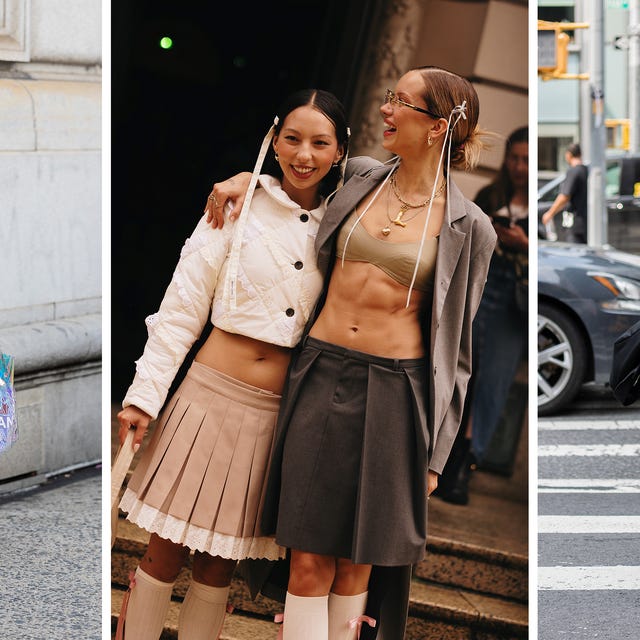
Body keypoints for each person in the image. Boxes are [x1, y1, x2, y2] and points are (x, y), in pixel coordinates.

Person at [205, 66, 497, 640]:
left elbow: (458, 351)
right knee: (308, 553)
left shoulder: (472, 227)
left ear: (437, 126)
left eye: (400, 102)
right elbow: (296, 173)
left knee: (357, 561)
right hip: (320, 372)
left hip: (397, 394)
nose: (385, 110)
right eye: (389, 97)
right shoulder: (359, 175)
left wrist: (437, 457)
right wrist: (249, 179)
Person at [113, 88, 349, 640]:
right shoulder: (236, 207)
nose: (304, 154)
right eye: (291, 138)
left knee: (221, 565)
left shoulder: (347, 224)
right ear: (273, 138)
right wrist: (142, 396)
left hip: (273, 418)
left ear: (341, 151)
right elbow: (180, 308)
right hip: (205, 401)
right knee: (164, 553)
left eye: (320, 142)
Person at [434, 126, 528, 505]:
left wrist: (526, 244)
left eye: (527, 160)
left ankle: (465, 466)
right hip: (483, 288)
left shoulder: (546, 204)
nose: (520, 167)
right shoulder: (491, 194)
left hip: (514, 303)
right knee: (461, 374)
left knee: (492, 382)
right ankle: (446, 459)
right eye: (515, 158)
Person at [541, 142, 588, 243]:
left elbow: (564, 196)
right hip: (584, 222)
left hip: (573, 222)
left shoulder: (573, 171)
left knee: (573, 253)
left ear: (569, 155)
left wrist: (549, 213)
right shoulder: (585, 170)